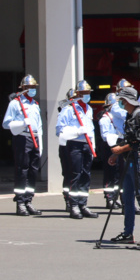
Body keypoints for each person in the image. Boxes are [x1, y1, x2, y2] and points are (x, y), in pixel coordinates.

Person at [109, 87, 140, 246]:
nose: (121, 103)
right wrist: (117, 154)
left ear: (128, 100)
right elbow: (128, 138)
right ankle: (128, 232)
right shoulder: (130, 115)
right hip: (130, 160)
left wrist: (120, 149)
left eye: (122, 100)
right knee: (127, 199)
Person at [56, 80, 98, 219]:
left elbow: (90, 129)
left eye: (88, 93)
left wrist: (93, 145)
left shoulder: (88, 109)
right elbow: (59, 129)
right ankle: (73, 205)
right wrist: (77, 130)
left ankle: (83, 204)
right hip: (74, 144)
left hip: (87, 144)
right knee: (76, 174)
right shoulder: (69, 109)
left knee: (86, 175)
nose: (87, 95)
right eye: (85, 93)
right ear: (78, 93)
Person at [3, 75, 42, 216]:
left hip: (35, 138)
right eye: (30, 87)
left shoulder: (35, 104)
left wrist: (40, 143)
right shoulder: (15, 103)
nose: (32, 90)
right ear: (23, 88)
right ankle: (20, 202)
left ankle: (28, 200)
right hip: (22, 138)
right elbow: (6, 124)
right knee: (22, 170)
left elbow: (40, 126)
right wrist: (22, 123)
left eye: (34, 87)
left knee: (32, 171)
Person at [98, 93, 123, 210]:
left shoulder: (118, 119)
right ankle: (109, 197)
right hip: (109, 147)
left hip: (118, 146)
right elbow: (105, 136)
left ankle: (116, 197)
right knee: (109, 173)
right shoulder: (104, 120)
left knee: (118, 173)